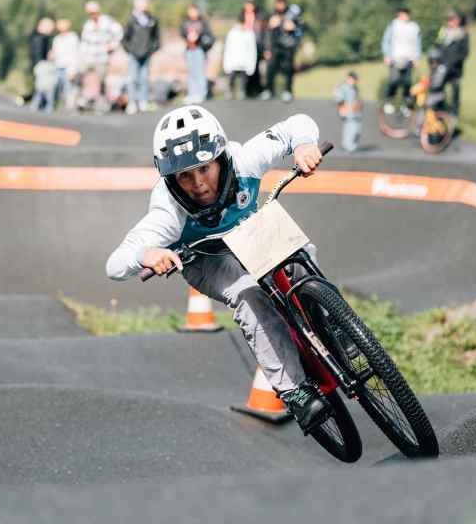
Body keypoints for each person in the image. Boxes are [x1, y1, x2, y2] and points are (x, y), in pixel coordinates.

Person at [105, 105, 329, 433]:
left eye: (204, 169)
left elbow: (298, 123)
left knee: (300, 256)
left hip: (250, 232)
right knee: (249, 294)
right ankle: (293, 391)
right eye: (185, 176)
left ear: (220, 156)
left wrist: (304, 145)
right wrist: (147, 254)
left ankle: (330, 326)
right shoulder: (167, 210)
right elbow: (114, 264)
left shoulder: (244, 160)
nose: (198, 184)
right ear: (170, 178)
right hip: (205, 259)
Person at [79, 0, 123, 112]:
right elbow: (84, 41)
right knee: (84, 77)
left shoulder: (107, 22)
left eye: (93, 12)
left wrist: (113, 45)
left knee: (102, 79)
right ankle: (85, 100)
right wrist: (82, 55)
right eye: (90, 13)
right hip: (89, 56)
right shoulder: (88, 25)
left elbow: (119, 33)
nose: (92, 15)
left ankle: (102, 102)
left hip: (102, 56)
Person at [120, 0, 160, 115]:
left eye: (145, 3)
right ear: (136, 5)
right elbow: (124, 39)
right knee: (132, 79)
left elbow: (156, 38)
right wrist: (130, 50)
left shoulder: (152, 19)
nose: (144, 5)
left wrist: (152, 49)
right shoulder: (131, 20)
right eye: (141, 3)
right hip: (134, 55)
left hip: (146, 55)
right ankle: (132, 103)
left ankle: (143, 102)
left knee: (144, 79)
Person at [262, 0, 303, 102]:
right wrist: (267, 48)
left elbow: (301, 29)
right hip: (275, 46)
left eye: (282, 3)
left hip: (288, 46)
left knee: (288, 69)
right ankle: (269, 90)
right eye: (278, 4)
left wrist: (293, 27)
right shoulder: (273, 16)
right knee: (270, 68)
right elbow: (267, 33)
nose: (280, 6)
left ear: (285, 4)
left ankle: (288, 91)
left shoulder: (292, 15)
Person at [381, 6, 422, 113]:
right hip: (395, 58)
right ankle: (388, 101)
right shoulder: (393, 25)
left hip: (409, 59)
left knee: (407, 83)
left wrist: (417, 58)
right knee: (394, 81)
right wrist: (386, 55)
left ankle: (406, 105)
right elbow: (386, 41)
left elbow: (417, 43)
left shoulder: (414, 27)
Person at [434, 10, 469, 118]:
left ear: (457, 21)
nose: (451, 22)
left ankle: (454, 114)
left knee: (455, 91)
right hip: (442, 67)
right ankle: (439, 111)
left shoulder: (463, 34)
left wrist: (454, 62)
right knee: (438, 90)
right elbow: (437, 46)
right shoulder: (443, 32)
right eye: (449, 20)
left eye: (453, 20)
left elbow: (465, 52)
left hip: (455, 69)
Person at [180, 3, 214, 105]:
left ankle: (201, 93)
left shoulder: (203, 23)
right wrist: (188, 37)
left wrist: (199, 37)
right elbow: (182, 33)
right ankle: (192, 94)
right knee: (191, 72)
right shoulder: (185, 22)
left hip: (199, 49)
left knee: (199, 72)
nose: (192, 13)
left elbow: (209, 36)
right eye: (190, 11)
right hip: (190, 50)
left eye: (194, 11)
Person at [223, 7, 258, 99]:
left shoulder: (249, 33)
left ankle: (243, 92)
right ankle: (230, 92)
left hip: (244, 61)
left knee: (244, 79)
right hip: (233, 61)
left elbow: (252, 49)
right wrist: (227, 63)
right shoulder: (232, 33)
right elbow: (228, 48)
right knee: (231, 78)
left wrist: (251, 65)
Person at [49, 18, 80, 111]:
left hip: (69, 67)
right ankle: (57, 106)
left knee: (69, 88)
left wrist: (73, 69)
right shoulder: (57, 39)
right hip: (58, 66)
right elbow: (55, 52)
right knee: (58, 88)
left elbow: (76, 54)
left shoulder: (73, 38)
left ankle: (70, 108)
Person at [334, 71, 363, 152]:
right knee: (350, 129)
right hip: (348, 113)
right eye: (353, 79)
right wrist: (342, 108)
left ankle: (350, 145)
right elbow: (339, 99)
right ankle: (348, 145)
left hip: (355, 113)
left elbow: (356, 99)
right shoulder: (343, 87)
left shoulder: (354, 88)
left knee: (357, 130)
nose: (354, 81)